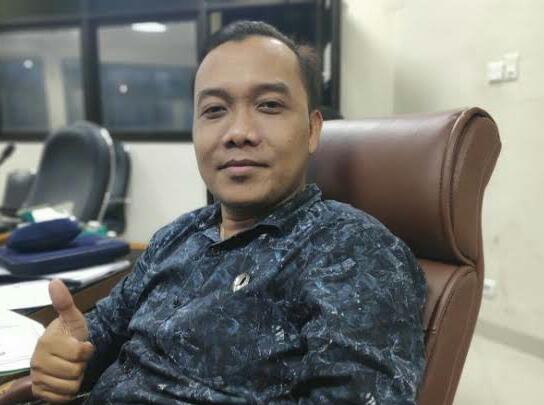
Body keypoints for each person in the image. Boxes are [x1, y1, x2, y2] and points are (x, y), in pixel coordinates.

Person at [30, 21, 426, 404]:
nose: (238, 132)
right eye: (215, 110)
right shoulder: (176, 237)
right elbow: (101, 330)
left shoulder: (351, 250)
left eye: (269, 105)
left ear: (312, 130)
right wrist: (67, 351)